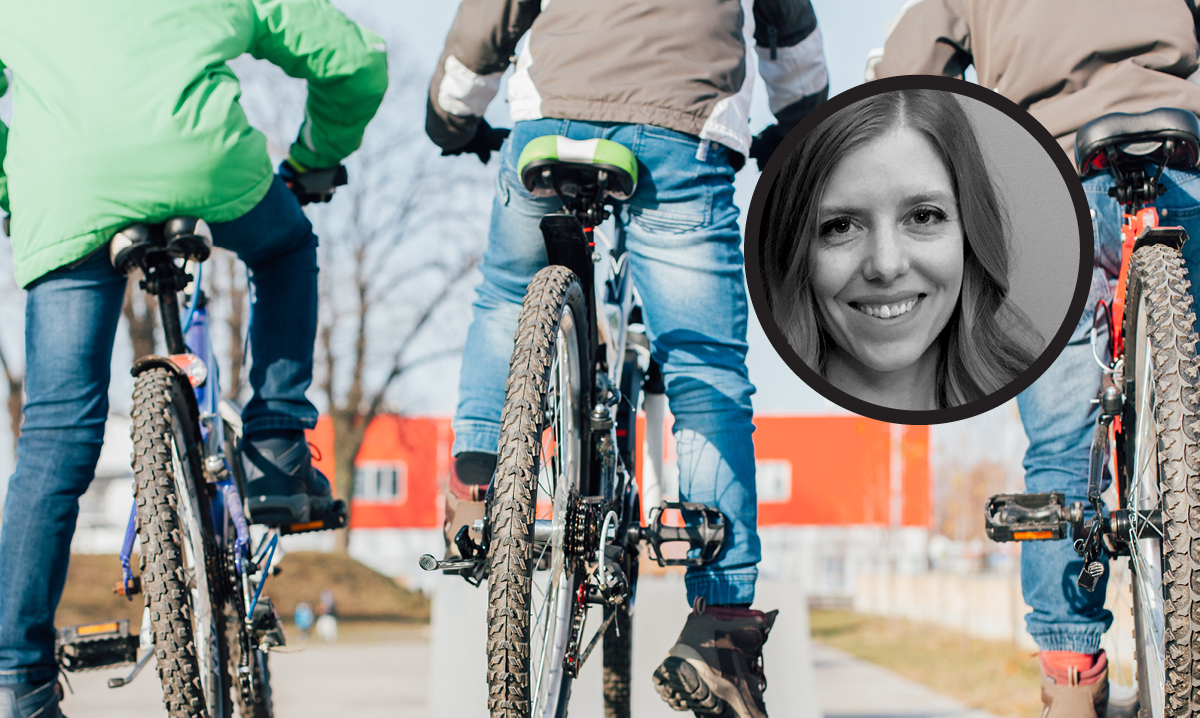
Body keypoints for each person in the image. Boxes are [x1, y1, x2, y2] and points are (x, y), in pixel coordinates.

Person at [426, 1, 828, 715]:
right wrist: (801, 119)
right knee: (703, 371)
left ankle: (475, 493)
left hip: (552, 118)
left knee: (505, 298)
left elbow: (494, 14)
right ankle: (722, 635)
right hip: (681, 124)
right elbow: (787, 24)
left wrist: (452, 114)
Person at [0, 2, 387, 716]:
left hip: (67, 186)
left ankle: (16, 680)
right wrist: (314, 155)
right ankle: (275, 440)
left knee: (52, 441)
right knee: (286, 248)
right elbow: (354, 60)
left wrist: (11, 184)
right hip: (201, 164)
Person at [869, 1, 1200, 715]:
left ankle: (1071, 678)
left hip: (1053, 173)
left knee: (1060, 445)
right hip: (1181, 148)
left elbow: (907, 71)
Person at [760, 88, 1042, 410]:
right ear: (796, 251)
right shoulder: (751, 414)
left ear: (970, 233)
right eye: (842, 226)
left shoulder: (1039, 408)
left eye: (923, 217)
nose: (886, 266)